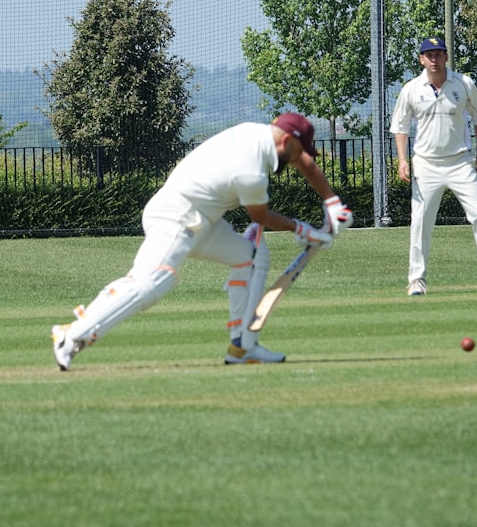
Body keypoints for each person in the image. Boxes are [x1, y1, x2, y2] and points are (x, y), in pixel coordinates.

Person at [51, 112, 354, 370]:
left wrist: (332, 203)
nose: (299, 158)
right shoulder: (250, 170)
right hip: (176, 217)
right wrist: (306, 231)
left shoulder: (257, 133)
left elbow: (302, 160)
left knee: (251, 257)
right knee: (154, 281)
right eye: (299, 149)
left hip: (202, 221)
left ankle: (243, 346)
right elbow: (260, 217)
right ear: (287, 141)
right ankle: (72, 333)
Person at [390, 36, 477, 297]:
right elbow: (400, 127)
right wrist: (402, 160)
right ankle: (416, 280)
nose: (434, 59)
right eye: (429, 55)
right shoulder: (411, 88)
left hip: (460, 162)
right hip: (425, 165)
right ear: (422, 59)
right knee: (420, 222)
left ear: (446, 57)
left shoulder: (464, 84)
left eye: (439, 54)